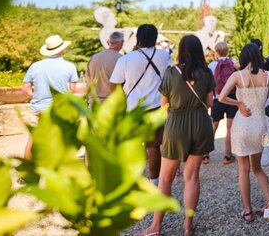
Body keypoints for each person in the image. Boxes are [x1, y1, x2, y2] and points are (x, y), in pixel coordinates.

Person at [139, 35, 215, 236]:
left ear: (181, 51)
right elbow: (209, 104)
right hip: (200, 123)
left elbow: (164, 105)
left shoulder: (171, 73)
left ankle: (155, 227)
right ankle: (188, 226)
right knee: (191, 177)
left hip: (176, 126)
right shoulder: (207, 73)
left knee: (165, 179)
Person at [218, 43, 269, 222]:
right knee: (258, 168)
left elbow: (221, 97)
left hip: (242, 125)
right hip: (260, 124)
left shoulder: (238, 76)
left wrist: (239, 104)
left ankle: (248, 211)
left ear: (243, 57)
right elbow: (266, 98)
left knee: (243, 169)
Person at [110, 24, 172, 185]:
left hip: (133, 109)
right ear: (155, 37)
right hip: (157, 108)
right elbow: (170, 79)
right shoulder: (164, 55)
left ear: (138, 38)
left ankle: (133, 180)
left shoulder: (125, 59)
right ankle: (154, 181)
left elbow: (114, 85)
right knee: (154, 147)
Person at [22, 34, 79, 159]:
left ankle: (26, 175)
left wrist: (36, 96)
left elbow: (25, 88)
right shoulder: (69, 66)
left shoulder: (35, 66)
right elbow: (73, 89)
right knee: (61, 139)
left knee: (34, 139)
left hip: (38, 108)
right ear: (62, 49)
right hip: (60, 109)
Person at [208, 41, 237, 165]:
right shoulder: (233, 63)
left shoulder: (212, 66)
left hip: (217, 99)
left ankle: (205, 155)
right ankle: (227, 155)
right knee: (229, 128)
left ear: (216, 52)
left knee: (213, 127)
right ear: (227, 51)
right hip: (231, 98)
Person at [86, 31, 123, 104]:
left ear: (108, 42)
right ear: (122, 43)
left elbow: (88, 82)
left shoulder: (93, 57)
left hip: (94, 102)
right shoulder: (121, 59)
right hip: (111, 103)